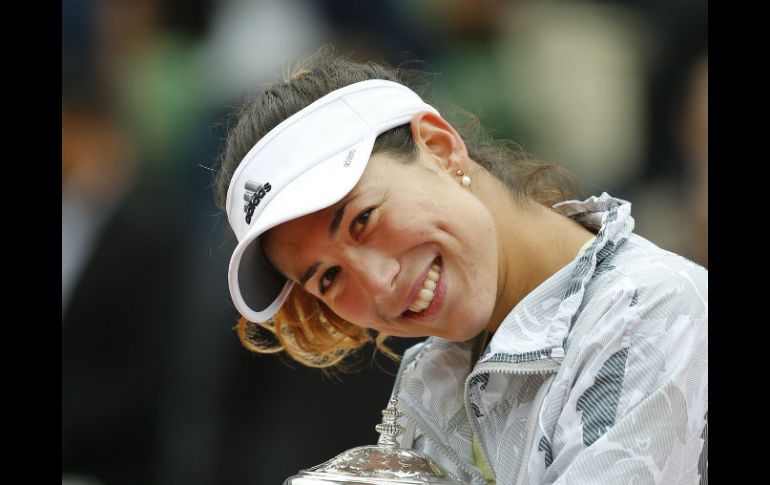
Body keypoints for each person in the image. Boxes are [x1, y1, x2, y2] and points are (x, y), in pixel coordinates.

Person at [213, 50, 707, 485]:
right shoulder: (427, 376)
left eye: (363, 220)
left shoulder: (657, 310)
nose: (379, 285)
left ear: (440, 147)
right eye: (328, 277)